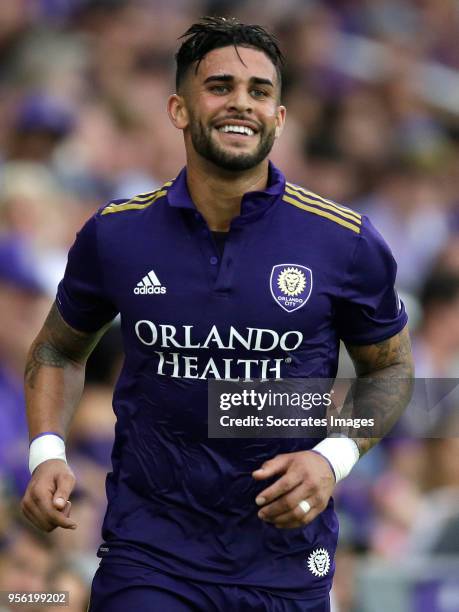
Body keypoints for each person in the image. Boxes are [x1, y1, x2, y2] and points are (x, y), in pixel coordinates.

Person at [21, 16, 413, 612]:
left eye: (260, 92)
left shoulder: (345, 242)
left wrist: (332, 458)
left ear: (279, 119)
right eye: (221, 86)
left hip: (285, 563)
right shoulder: (117, 234)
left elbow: (392, 369)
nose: (242, 103)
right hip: (150, 555)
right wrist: (47, 451)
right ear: (179, 109)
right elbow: (57, 348)